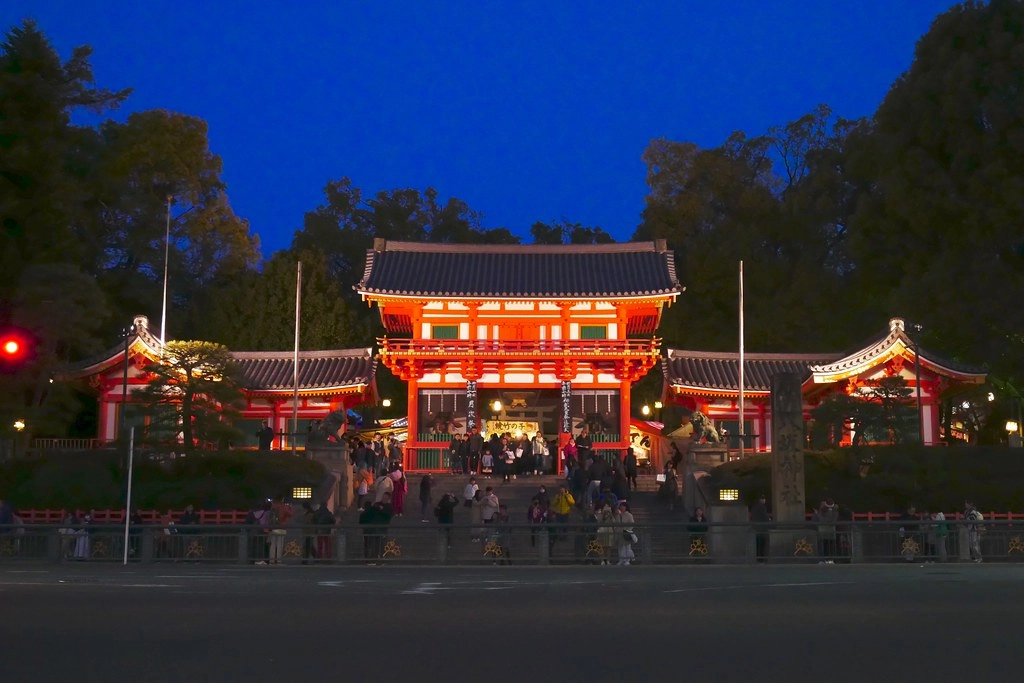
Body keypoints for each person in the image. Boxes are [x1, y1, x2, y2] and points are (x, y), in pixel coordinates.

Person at [267, 496, 294, 565]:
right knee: (280, 545)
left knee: (273, 545)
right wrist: (290, 507)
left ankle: (271, 560)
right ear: (282, 499)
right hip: (281, 527)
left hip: (273, 527)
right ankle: (279, 560)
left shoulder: (273, 506)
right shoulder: (283, 506)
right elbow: (290, 514)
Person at [815, 499, 838, 564]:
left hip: (824, 530)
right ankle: (829, 559)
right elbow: (833, 521)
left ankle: (824, 560)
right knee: (828, 546)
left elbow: (822, 520)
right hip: (829, 531)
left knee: (825, 546)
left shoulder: (821, 511)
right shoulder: (835, 512)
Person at [750, 494, 771, 562]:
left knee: (757, 544)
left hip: (755, 528)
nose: (764, 500)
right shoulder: (762, 507)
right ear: (761, 499)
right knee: (762, 544)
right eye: (763, 499)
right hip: (762, 528)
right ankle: (761, 559)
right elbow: (765, 517)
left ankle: (758, 558)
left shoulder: (754, 507)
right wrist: (769, 521)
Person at [616, 500, 636, 565]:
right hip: (619, 532)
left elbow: (632, 523)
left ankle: (627, 560)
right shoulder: (618, 515)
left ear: (626, 507)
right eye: (621, 506)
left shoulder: (629, 515)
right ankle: (621, 559)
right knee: (620, 546)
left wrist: (627, 530)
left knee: (627, 547)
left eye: (623, 506)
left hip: (626, 532)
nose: (622, 508)